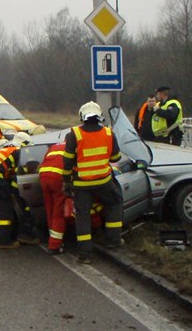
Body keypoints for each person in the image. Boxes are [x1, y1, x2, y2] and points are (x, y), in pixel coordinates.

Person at [63, 101, 124, 264]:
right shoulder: (109, 133)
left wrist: (66, 182)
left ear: (82, 116)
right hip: (104, 181)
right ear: (99, 117)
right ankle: (113, 240)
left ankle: (84, 254)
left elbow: (68, 162)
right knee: (114, 202)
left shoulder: (73, 134)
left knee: (82, 216)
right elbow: (116, 158)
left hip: (82, 184)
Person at [39, 141, 71, 255]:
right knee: (58, 212)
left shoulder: (54, 146)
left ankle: (52, 238)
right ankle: (55, 246)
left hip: (43, 177)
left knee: (50, 210)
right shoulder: (74, 146)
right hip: (58, 178)